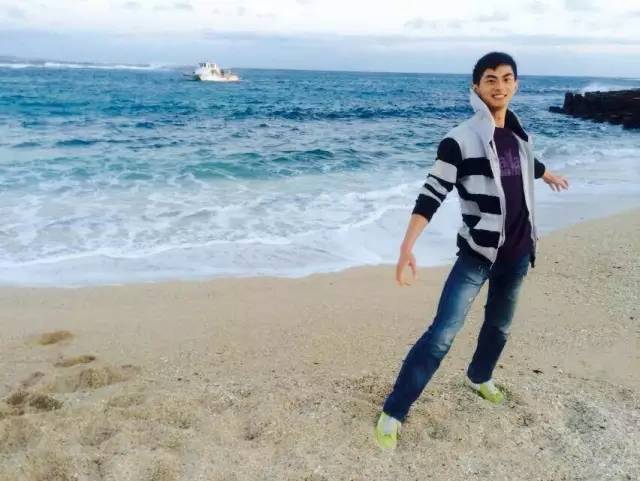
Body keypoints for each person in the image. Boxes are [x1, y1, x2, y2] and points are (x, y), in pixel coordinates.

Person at [374, 52, 569, 450]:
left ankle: (480, 377)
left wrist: (546, 173)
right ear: (476, 87)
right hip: (477, 256)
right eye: (490, 79)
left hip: (519, 253)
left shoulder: (519, 136)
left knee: (499, 327)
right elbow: (432, 194)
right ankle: (394, 410)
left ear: (516, 85)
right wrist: (407, 246)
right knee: (442, 334)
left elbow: (524, 163)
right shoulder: (459, 141)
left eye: (507, 78)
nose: (500, 86)